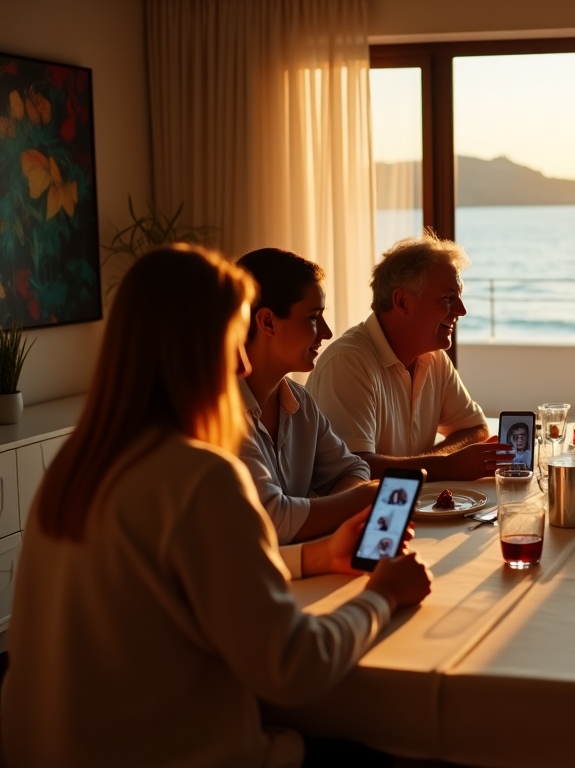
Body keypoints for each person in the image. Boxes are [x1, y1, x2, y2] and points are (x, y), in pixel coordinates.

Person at [1, 246, 433, 767]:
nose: (245, 361)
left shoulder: (75, 468)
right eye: (235, 338)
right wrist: (382, 596)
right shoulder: (200, 478)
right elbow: (293, 666)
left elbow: (186, 583)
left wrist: (314, 557)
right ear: (204, 347)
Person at [307, 232, 507, 480]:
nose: (461, 310)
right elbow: (354, 470)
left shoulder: (433, 357)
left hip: (414, 505)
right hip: (363, 517)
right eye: (448, 298)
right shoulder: (348, 362)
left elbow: (475, 428)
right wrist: (446, 466)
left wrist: (438, 462)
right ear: (402, 302)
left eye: (459, 297)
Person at [236, 247, 378, 548]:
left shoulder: (299, 402)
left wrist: (334, 509)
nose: (326, 332)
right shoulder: (219, 414)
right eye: (314, 317)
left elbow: (354, 469)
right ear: (268, 323)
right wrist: (362, 498)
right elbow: (272, 521)